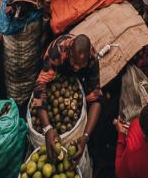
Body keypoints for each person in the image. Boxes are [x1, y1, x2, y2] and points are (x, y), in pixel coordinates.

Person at [33, 34, 102, 163]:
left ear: (87, 59)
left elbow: (96, 99)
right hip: (54, 68)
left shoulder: (92, 59)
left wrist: (86, 136)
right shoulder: (57, 52)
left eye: (81, 64)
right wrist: (47, 128)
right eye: (74, 62)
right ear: (69, 52)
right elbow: (40, 85)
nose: (76, 67)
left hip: (73, 77)